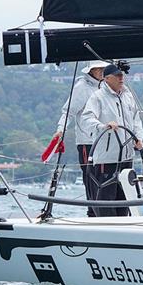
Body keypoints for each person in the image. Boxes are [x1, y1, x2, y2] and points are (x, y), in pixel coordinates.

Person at [80, 63, 143, 217]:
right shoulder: (97, 97)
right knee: (105, 196)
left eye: (122, 75)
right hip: (106, 157)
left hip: (127, 156)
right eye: (118, 75)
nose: (122, 78)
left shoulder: (128, 96)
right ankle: (106, 227)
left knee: (124, 195)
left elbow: (136, 120)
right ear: (107, 79)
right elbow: (86, 119)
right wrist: (103, 126)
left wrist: (139, 138)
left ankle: (123, 227)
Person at [53, 60, 106, 216]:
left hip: (103, 140)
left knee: (103, 177)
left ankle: (103, 210)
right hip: (86, 140)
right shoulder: (81, 87)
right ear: (91, 70)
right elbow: (68, 111)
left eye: (103, 68)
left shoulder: (105, 87)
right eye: (98, 68)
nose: (101, 71)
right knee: (90, 177)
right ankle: (92, 211)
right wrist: (60, 130)